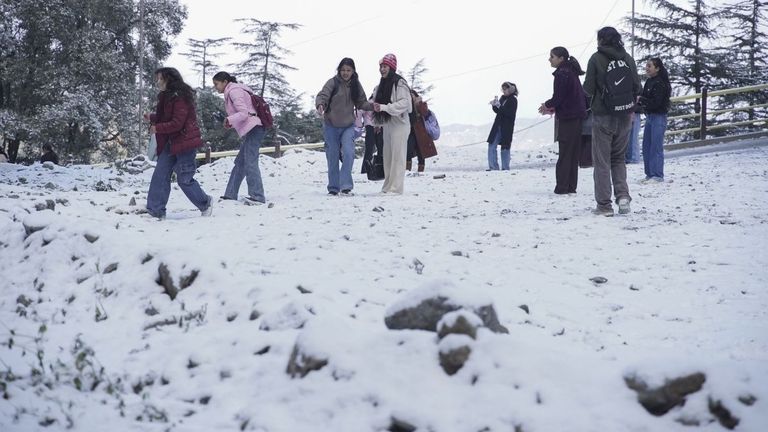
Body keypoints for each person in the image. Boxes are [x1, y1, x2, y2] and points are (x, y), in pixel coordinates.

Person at [583, 26, 641, 216]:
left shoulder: (596, 58)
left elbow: (589, 89)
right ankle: (623, 197)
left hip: (603, 116)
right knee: (618, 158)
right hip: (625, 115)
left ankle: (604, 206)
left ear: (601, 40)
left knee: (602, 161)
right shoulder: (627, 58)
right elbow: (637, 87)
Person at [145, 67, 212, 220]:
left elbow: (177, 123)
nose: (158, 82)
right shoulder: (166, 96)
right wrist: (152, 117)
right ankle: (156, 211)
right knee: (160, 175)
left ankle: (205, 203)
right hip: (170, 142)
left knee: (184, 179)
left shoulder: (180, 97)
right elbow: (166, 117)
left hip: (184, 143)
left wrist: (157, 128)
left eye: (160, 78)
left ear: (169, 79)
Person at [315, 58, 370, 195]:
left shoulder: (356, 85)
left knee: (349, 153)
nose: (346, 73)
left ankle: (345, 185)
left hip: (348, 126)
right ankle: (333, 188)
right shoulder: (332, 82)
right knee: (332, 156)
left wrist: (373, 106)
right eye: (343, 70)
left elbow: (362, 102)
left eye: (349, 70)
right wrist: (320, 104)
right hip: (331, 125)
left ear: (353, 71)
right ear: (339, 70)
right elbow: (323, 95)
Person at [212, 71, 268, 204]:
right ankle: (230, 194)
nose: (215, 87)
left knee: (250, 161)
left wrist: (228, 119)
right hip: (253, 128)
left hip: (255, 128)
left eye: (216, 84)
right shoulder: (233, 91)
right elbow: (243, 115)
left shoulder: (234, 91)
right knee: (241, 162)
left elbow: (244, 113)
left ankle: (257, 196)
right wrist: (228, 121)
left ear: (225, 82)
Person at [539, 47, 587, 194]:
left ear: (561, 58)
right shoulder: (571, 71)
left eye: (552, 57)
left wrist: (547, 105)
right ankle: (571, 186)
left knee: (565, 152)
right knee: (573, 153)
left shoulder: (562, 73)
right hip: (577, 115)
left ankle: (562, 187)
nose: (549, 59)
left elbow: (558, 97)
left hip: (568, 117)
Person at [371, 53, 412, 194]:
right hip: (387, 124)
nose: (382, 69)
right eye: (381, 66)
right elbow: (375, 102)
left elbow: (405, 103)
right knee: (388, 156)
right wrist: (377, 121)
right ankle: (388, 186)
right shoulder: (381, 84)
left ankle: (396, 188)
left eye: (385, 66)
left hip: (400, 123)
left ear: (391, 67)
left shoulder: (399, 83)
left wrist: (385, 108)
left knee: (398, 156)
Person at [638, 57, 671, 183]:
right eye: (646, 65)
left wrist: (642, 100)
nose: (647, 68)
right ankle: (649, 174)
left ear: (657, 68)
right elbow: (646, 98)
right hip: (650, 117)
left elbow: (656, 103)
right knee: (647, 146)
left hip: (659, 117)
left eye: (650, 66)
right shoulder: (649, 82)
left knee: (656, 146)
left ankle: (657, 175)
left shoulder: (661, 83)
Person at [486, 82, 518, 171]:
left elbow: (509, 113)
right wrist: (494, 105)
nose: (503, 91)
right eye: (502, 89)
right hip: (498, 125)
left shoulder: (513, 100)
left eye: (505, 89)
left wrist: (500, 106)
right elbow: (498, 111)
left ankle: (505, 168)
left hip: (506, 127)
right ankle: (493, 167)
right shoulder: (502, 98)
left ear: (510, 89)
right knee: (491, 145)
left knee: (505, 147)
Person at [406, 89, 440, 173]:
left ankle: (421, 170)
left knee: (421, 151)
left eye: (412, 95)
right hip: (410, 131)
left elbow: (425, 113)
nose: (411, 97)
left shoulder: (421, 104)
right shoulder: (406, 105)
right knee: (408, 149)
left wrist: (418, 105)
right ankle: (407, 170)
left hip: (421, 131)